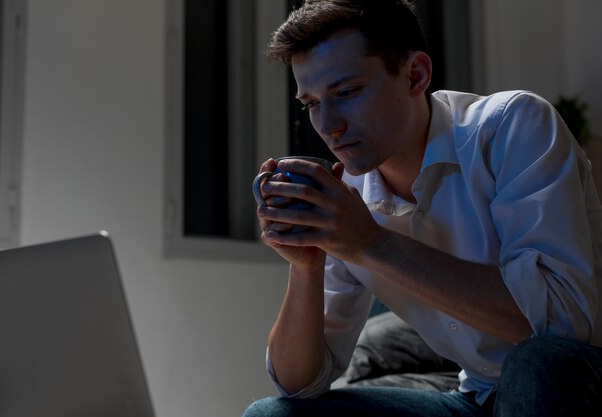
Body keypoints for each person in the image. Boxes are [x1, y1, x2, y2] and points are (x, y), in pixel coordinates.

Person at [243, 1, 602, 416]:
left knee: (538, 365)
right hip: (479, 397)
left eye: (346, 93)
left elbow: (561, 326)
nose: (328, 126)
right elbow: (297, 384)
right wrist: (307, 264)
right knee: (269, 415)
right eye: (310, 103)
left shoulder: (512, 127)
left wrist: (370, 244)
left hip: (578, 376)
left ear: (416, 75)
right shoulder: (350, 199)